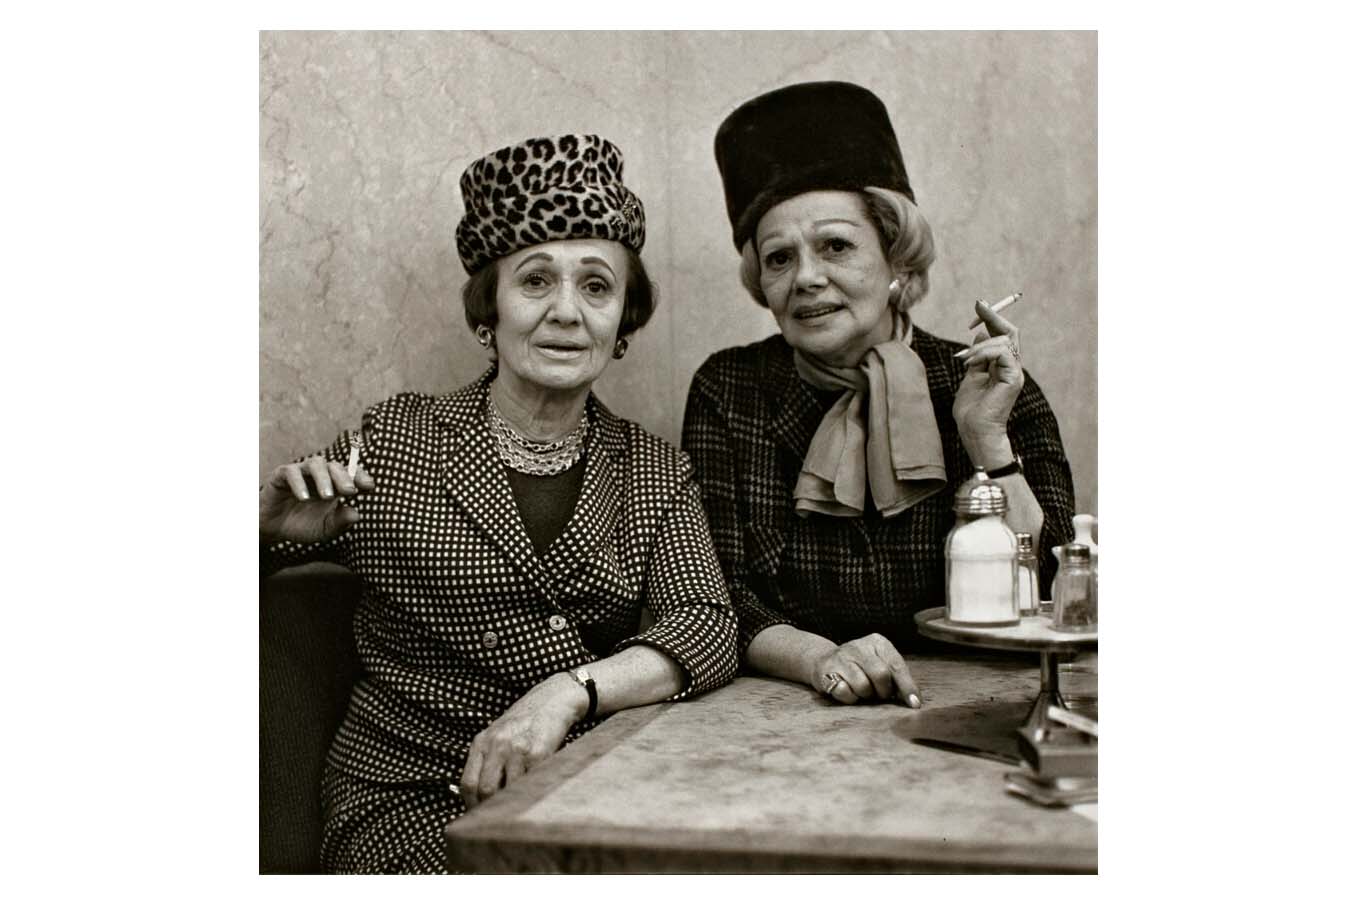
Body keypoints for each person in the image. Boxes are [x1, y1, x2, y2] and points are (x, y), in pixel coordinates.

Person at [261, 134, 738, 874]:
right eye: (535, 281)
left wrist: (567, 693)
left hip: (589, 791)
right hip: (410, 797)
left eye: (596, 286)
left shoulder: (653, 467)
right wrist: (263, 530)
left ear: (621, 324)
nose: (566, 312)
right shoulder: (395, 438)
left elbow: (706, 625)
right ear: (490, 311)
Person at [682, 81, 1075, 708]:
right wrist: (822, 659)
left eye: (836, 246)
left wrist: (986, 440)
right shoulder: (731, 390)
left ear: (896, 259)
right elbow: (714, 593)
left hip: (979, 705)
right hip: (789, 706)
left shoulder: (986, 382)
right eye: (779, 258)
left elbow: (1059, 594)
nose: (807, 278)